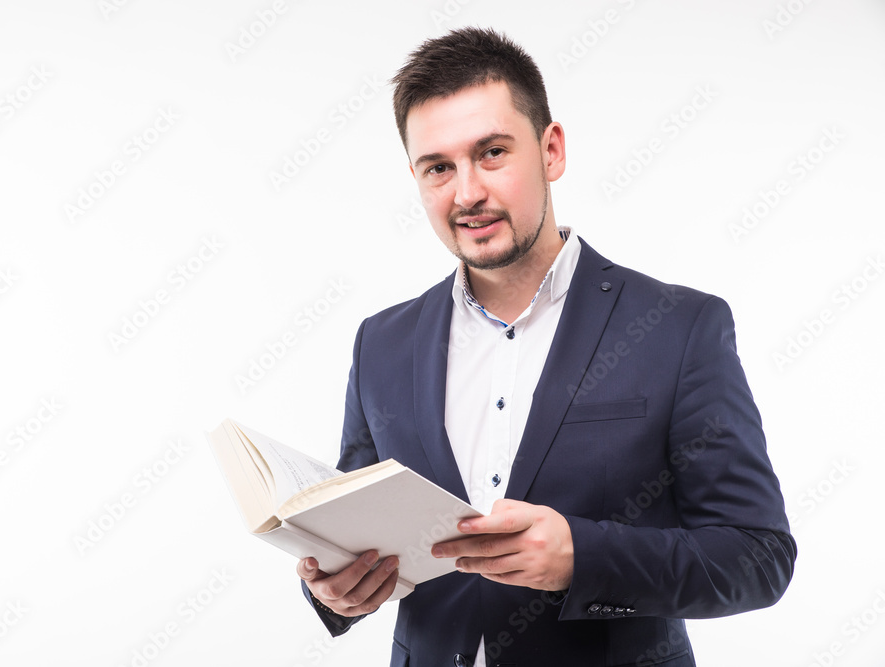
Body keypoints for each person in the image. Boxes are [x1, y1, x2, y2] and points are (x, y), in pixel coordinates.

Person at [296, 27, 795, 667]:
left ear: (551, 149)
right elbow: (355, 527)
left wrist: (581, 558)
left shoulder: (679, 327)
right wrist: (334, 589)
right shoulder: (381, 343)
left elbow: (758, 556)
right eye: (438, 167)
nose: (467, 192)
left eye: (493, 152)